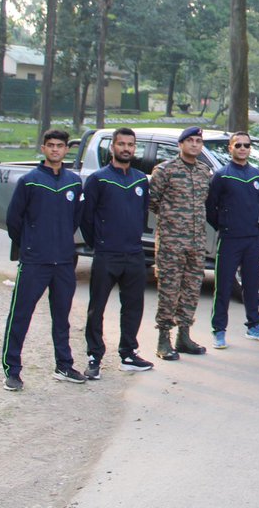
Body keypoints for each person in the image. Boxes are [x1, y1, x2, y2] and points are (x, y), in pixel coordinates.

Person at [1, 129, 85, 391]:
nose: (55, 150)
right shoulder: (30, 181)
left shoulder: (74, 182)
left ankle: (64, 365)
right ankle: (12, 371)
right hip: (34, 262)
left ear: (66, 150)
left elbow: (76, 219)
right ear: (43, 148)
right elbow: (14, 221)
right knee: (21, 315)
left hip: (63, 262)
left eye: (60, 146)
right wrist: (31, 245)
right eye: (50, 145)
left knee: (62, 317)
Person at [80, 128, 154, 380]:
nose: (126, 148)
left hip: (134, 254)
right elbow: (86, 218)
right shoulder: (98, 179)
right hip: (106, 254)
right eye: (121, 144)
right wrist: (99, 243)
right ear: (112, 148)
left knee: (133, 306)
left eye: (130, 144)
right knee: (97, 307)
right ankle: (94, 356)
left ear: (135, 148)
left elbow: (143, 213)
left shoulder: (140, 180)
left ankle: (128, 353)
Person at [150, 125, 211, 360]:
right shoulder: (165, 170)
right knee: (168, 290)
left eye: (198, 141)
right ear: (181, 144)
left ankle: (184, 335)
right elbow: (153, 201)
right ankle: (163, 338)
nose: (195, 144)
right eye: (190, 141)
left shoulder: (204, 171)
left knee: (191, 289)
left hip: (196, 242)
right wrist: (172, 222)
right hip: (171, 243)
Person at [205, 131, 259, 348]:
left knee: (251, 285)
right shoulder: (222, 175)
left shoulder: (257, 175)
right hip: (230, 238)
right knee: (223, 286)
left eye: (246, 145)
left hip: (251, 238)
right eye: (238, 145)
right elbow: (210, 208)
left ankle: (254, 325)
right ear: (230, 148)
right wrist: (224, 225)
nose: (242, 148)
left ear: (250, 149)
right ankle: (219, 330)